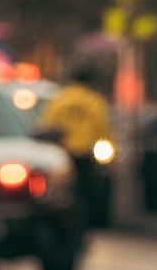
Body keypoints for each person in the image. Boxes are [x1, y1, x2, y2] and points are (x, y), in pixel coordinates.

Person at [40, 64, 116, 227]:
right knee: (92, 189)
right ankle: (91, 220)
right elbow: (103, 128)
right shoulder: (94, 100)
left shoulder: (59, 100)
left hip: (63, 153)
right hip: (87, 153)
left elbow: (48, 125)